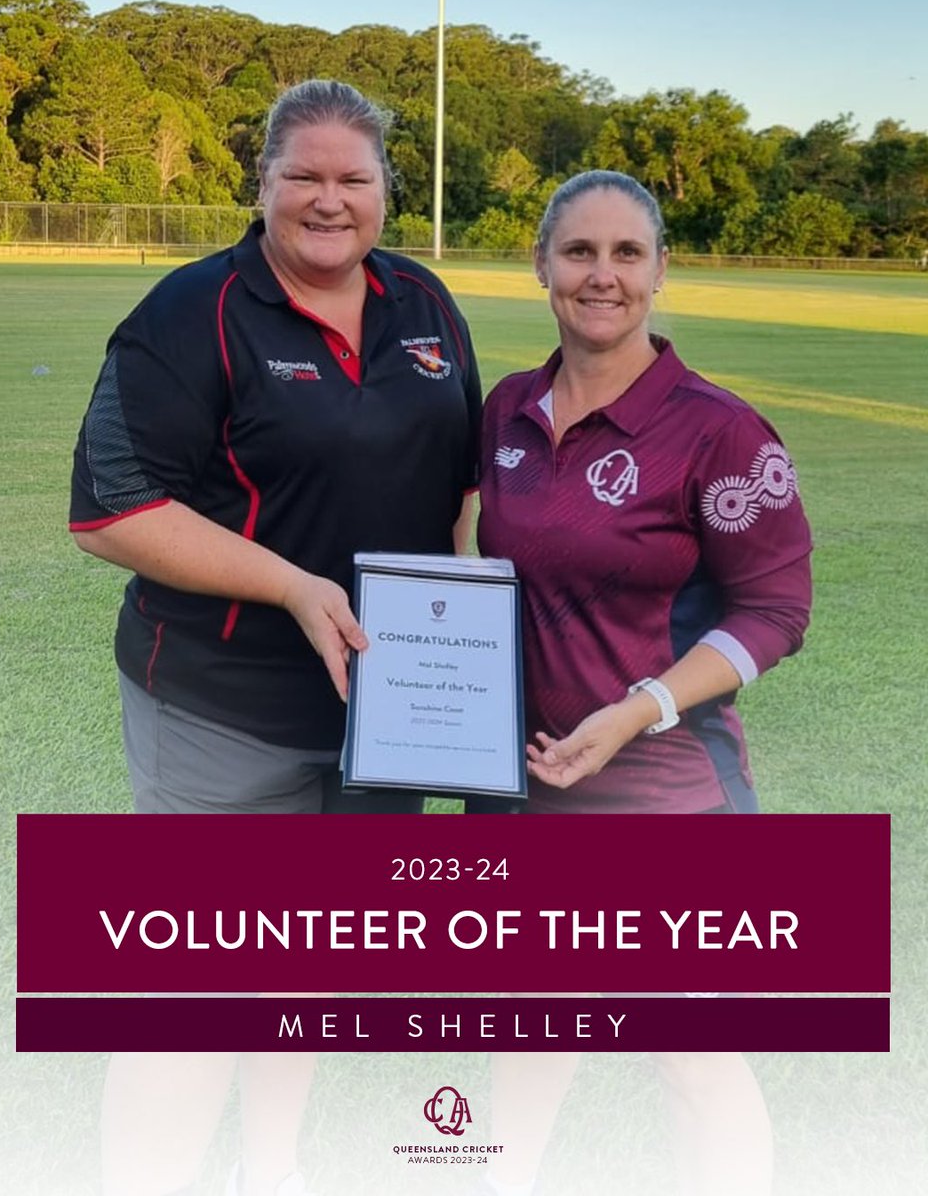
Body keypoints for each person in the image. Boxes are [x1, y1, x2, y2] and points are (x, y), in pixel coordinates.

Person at [69, 79, 481, 1196]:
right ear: (261, 185)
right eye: (304, 175)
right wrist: (297, 589)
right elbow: (112, 510)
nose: (329, 199)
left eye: (355, 178)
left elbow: (461, 495)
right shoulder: (188, 311)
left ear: (388, 189)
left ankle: (273, 1165)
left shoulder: (426, 304)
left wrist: (468, 662)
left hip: (383, 727)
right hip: (222, 709)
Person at [472, 171, 812, 1195]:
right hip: (528, 792)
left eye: (628, 254)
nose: (602, 275)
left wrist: (640, 710)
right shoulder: (505, 410)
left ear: (663, 271)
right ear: (541, 266)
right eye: (579, 252)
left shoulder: (720, 429)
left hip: (669, 796)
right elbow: (477, 566)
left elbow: (775, 614)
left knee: (692, 1055)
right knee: (530, 1034)